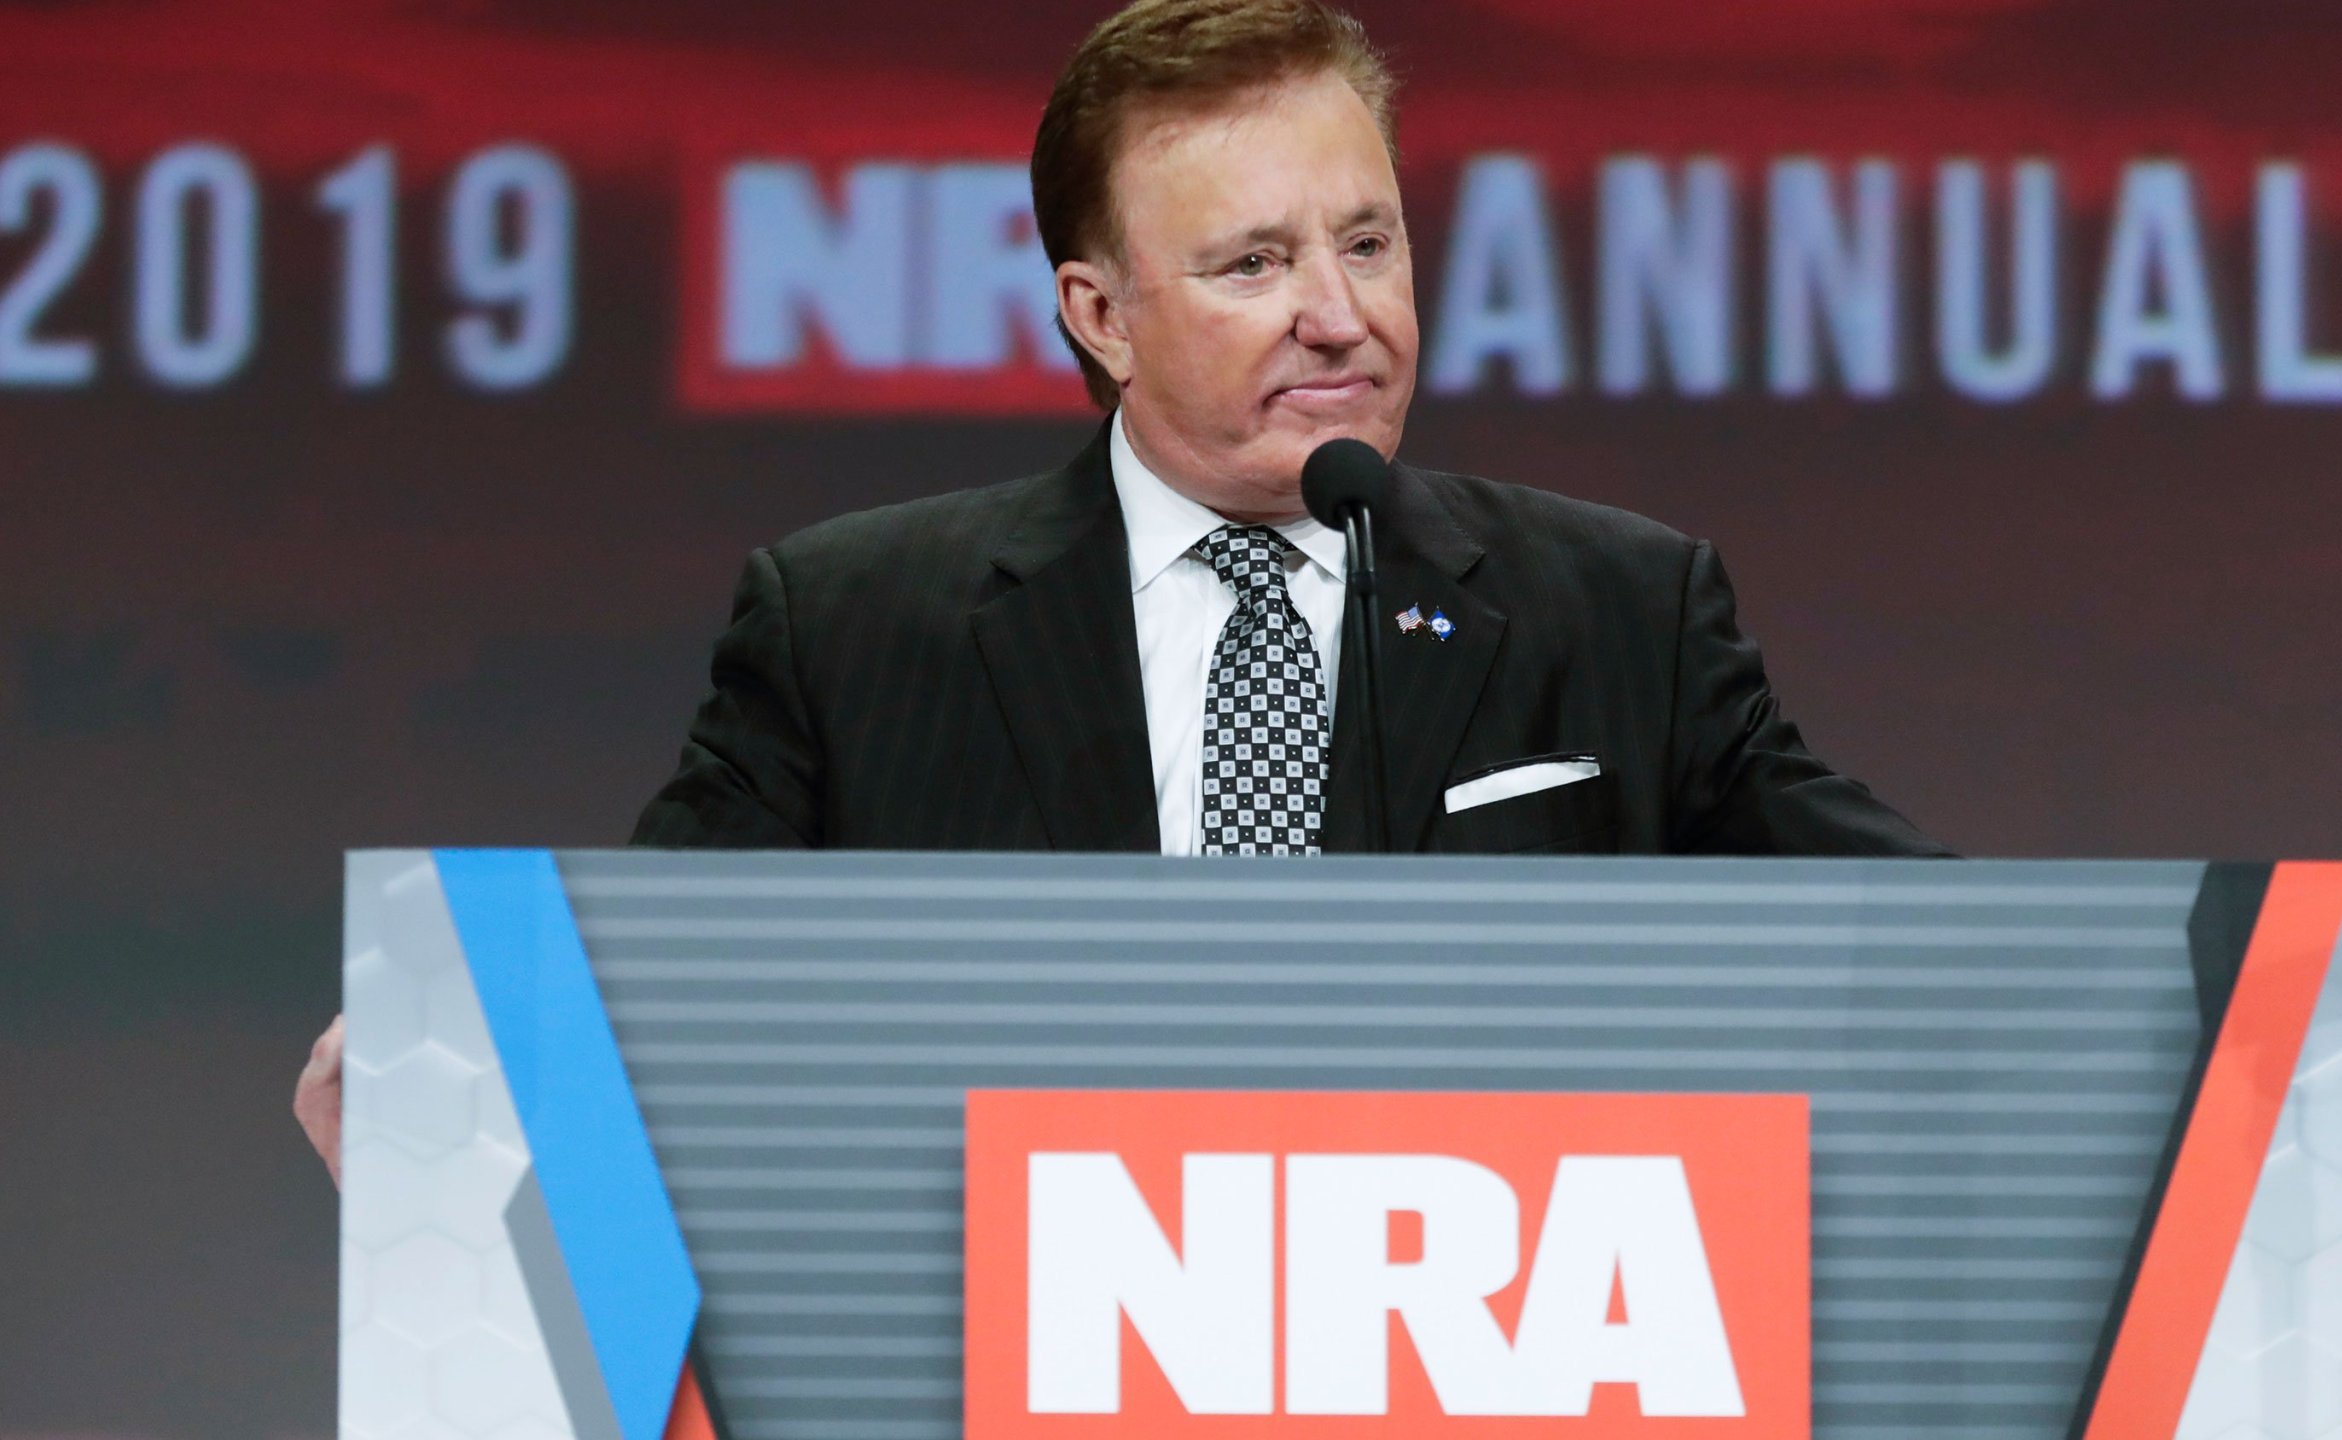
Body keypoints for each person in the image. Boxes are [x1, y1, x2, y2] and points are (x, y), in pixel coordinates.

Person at [294, 0, 1948, 1175]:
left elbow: (1938, 955)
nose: (1340, 313)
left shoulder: (1619, 610)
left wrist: (2197, 1048)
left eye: (1369, 244)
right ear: (1099, 314)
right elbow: (661, 987)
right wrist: (460, 1080)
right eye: (1254, 263)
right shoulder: (859, 624)